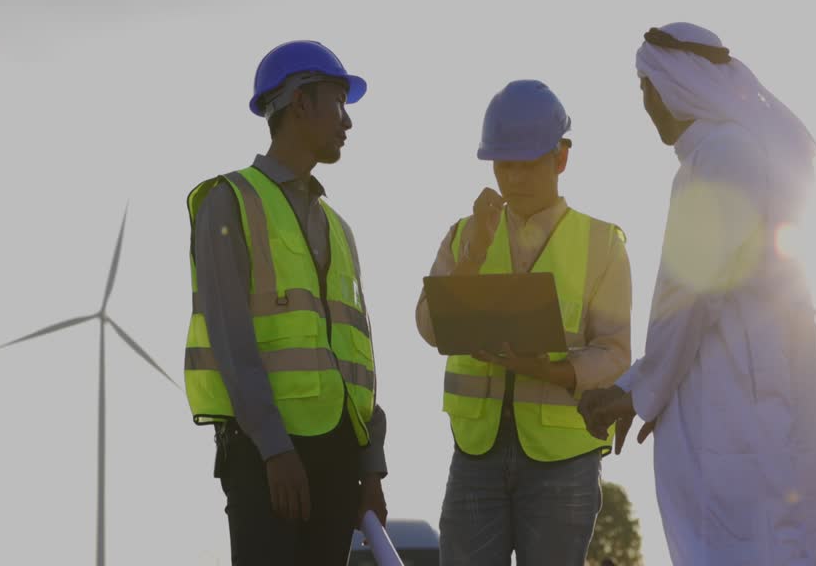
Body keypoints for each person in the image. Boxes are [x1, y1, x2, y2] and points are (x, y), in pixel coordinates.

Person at [578, 23, 816, 565]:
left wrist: (637, 393)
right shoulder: (710, 159)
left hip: (746, 399)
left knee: (767, 543)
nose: (646, 106)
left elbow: (690, 298)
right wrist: (636, 383)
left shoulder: (728, 156)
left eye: (648, 88)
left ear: (676, 84)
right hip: (728, 393)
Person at [183, 40, 388, 565]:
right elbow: (233, 340)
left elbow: (358, 361)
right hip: (266, 457)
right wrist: (275, 448)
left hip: (339, 460)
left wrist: (371, 467)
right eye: (339, 103)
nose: (348, 123)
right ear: (301, 103)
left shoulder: (338, 228)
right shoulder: (228, 202)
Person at [414, 79, 632, 565]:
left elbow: (616, 353)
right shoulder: (463, 235)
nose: (513, 177)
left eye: (527, 162)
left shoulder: (603, 245)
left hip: (563, 460)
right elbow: (430, 327)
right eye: (503, 163)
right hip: (475, 454)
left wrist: (550, 371)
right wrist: (474, 251)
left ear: (561, 158)